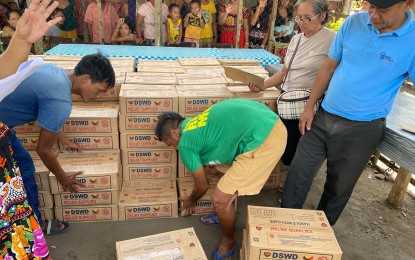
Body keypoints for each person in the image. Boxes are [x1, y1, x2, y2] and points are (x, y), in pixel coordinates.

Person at [281, 0, 415, 226]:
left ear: (408, 4)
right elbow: (329, 67)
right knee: (298, 174)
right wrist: (309, 107)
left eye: (382, 10)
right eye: (371, 6)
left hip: (362, 128)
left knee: (337, 187)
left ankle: (320, 235)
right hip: (323, 115)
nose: (373, 15)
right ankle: (282, 228)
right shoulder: (354, 22)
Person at [155, 99, 287, 259]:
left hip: (266, 139)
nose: (174, 148)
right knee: (222, 171)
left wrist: (190, 201)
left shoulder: (185, 144)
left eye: (171, 144)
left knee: (219, 199)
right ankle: (224, 216)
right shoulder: (195, 122)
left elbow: (202, 185)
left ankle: (229, 241)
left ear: (175, 133)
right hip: (270, 122)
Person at [0, 53, 115, 235]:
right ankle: (35, 227)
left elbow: (46, 111)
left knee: (22, 163)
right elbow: (44, 150)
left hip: (4, 123)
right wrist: (62, 177)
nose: (98, 96)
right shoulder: (61, 101)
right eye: (99, 90)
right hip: (2, 127)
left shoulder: (54, 71)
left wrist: (63, 138)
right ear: (86, 79)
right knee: (25, 167)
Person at [249, 0, 335, 192]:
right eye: (298, 17)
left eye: (307, 18)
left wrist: (310, 106)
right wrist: (261, 84)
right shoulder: (296, 38)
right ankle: (285, 179)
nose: (301, 22)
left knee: (299, 150)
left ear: (322, 16)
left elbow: (332, 74)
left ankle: (291, 186)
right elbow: (283, 72)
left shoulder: (332, 40)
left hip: (308, 105)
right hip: (288, 101)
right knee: (285, 148)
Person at [0, 0, 62, 257]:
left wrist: (21, 43)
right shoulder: (60, 95)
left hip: (5, 176)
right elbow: (44, 148)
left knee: (18, 244)